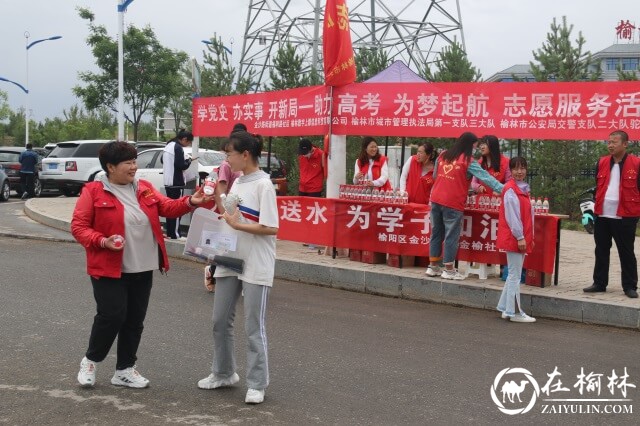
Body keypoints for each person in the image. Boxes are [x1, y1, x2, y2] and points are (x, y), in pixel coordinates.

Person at [71, 141, 213, 388]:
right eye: (128, 163)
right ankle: (91, 361)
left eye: (135, 161)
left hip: (143, 264)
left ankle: (125, 369)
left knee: (134, 320)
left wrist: (191, 202)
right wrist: (103, 241)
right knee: (111, 316)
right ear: (110, 167)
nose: (134, 167)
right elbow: (79, 227)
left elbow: (166, 207)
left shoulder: (144, 188)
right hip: (108, 267)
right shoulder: (93, 191)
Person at [198, 131, 278, 405]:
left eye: (229, 154)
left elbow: (271, 227)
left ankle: (257, 383)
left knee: (254, 326)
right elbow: (228, 219)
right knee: (220, 320)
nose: (226, 160)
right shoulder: (238, 183)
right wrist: (213, 253)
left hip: (256, 262)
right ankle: (223, 372)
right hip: (230, 259)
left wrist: (237, 225)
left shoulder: (264, 185)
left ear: (245, 155)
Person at [426, 132, 504, 280]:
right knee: (451, 236)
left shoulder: (443, 155)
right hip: (452, 202)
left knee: (436, 233)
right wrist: (507, 189)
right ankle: (449, 270)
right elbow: (486, 178)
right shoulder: (468, 161)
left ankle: (433, 267)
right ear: (470, 145)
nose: (475, 149)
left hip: (435, 199)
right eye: (474, 146)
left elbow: (435, 176)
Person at [584, 130, 640, 299]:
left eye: (614, 142)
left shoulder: (636, 164)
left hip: (626, 215)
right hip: (603, 214)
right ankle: (599, 283)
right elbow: (598, 186)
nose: (610, 145)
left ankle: (630, 286)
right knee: (601, 250)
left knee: (626, 251)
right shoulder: (601, 162)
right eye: (609, 142)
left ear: (625, 144)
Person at [496, 157, 536, 323]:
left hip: (519, 236)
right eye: (516, 169)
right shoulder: (511, 189)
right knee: (514, 275)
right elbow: (512, 216)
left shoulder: (522, 189)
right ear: (510, 171)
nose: (520, 172)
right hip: (515, 237)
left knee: (513, 273)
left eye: (523, 168)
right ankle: (515, 313)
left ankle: (506, 309)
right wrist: (520, 237)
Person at [206, 124, 245, 292]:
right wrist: (224, 212)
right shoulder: (226, 165)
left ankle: (236, 278)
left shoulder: (243, 164)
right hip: (227, 212)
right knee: (223, 247)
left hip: (239, 211)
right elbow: (220, 188)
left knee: (234, 246)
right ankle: (212, 271)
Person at [163, 129, 194, 239]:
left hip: (168, 182)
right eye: (189, 142)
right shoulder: (178, 147)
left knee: (170, 209)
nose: (188, 144)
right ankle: (175, 235)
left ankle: (170, 233)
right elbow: (181, 165)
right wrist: (189, 161)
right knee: (176, 209)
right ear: (184, 139)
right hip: (176, 182)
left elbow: (163, 161)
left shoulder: (169, 145)